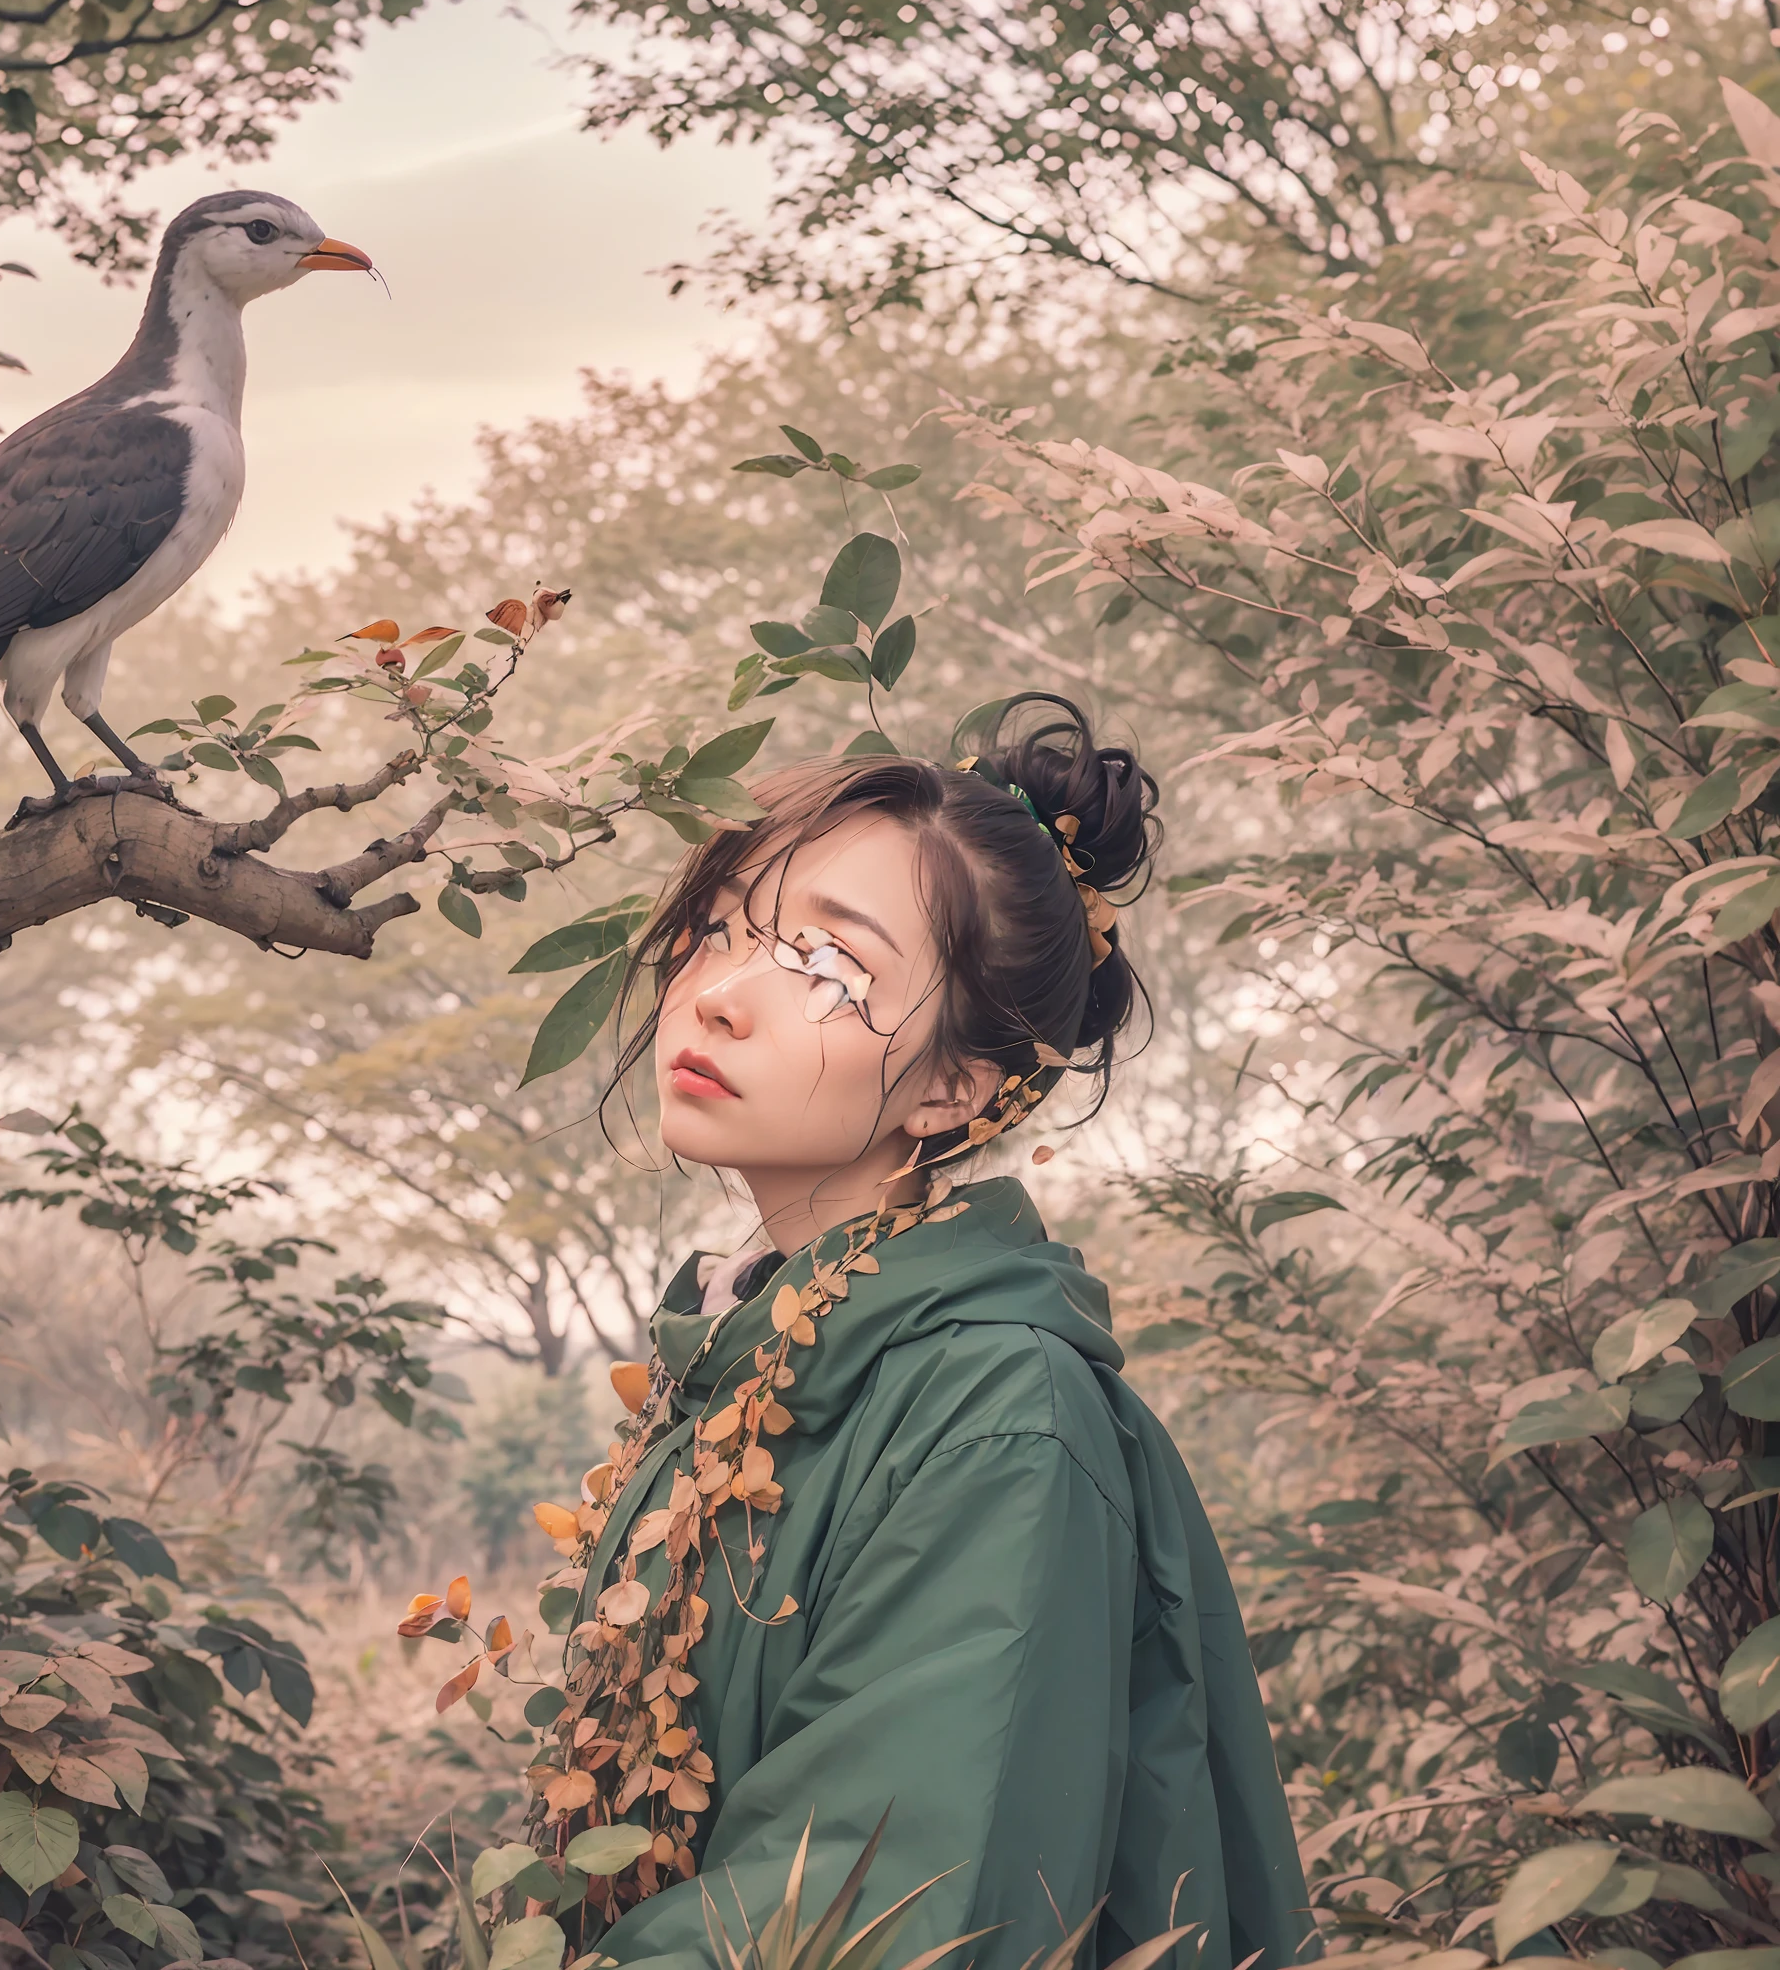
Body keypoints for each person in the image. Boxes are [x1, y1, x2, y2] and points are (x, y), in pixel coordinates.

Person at [509, 695, 1307, 1970]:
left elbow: (863, 1909)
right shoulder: (749, 1347)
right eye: (723, 927)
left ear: (952, 1086)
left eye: (828, 965)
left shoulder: (994, 1412)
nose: (714, 992)